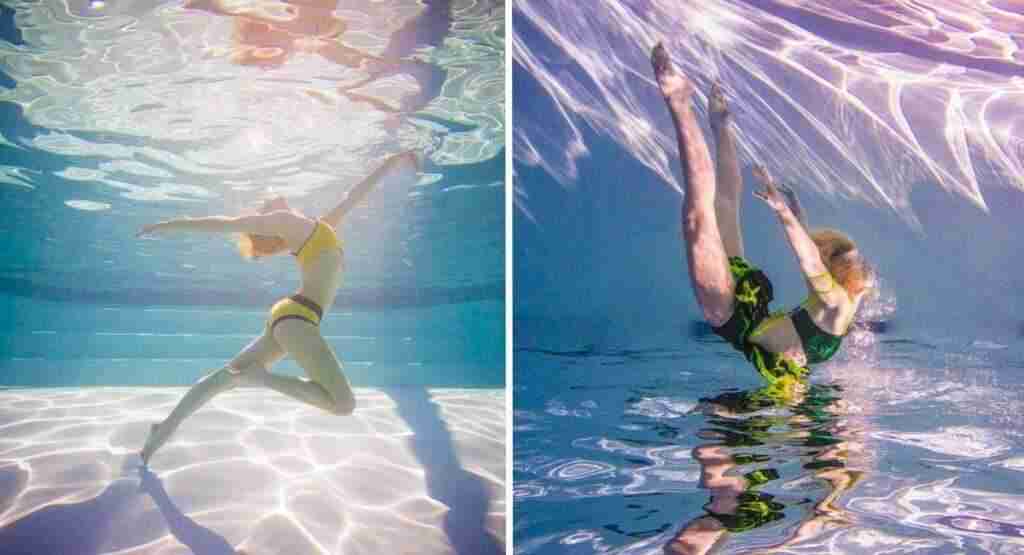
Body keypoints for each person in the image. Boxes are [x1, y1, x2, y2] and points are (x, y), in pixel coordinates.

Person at [136, 151, 420, 464]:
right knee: (343, 404)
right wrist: (167, 225)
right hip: (298, 318)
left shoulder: (319, 226)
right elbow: (225, 224)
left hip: (293, 316)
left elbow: (354, 195)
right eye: (266, 206)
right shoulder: (283, 221)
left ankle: (163, 429)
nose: (270, 199)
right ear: (269, 221)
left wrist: (391, 162)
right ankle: (260, 378)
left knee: (226, 376)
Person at [649, 42, 874, 401]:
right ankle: (694, 109)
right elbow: (812, 257)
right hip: (735, 311)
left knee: (714, 209)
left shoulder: (836, 301)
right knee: (707, 211)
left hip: (742, 312)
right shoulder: (838, 301)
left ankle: (703, 115)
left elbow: (809, 259)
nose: (817, 252)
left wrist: (785, 213)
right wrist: (793, 214)